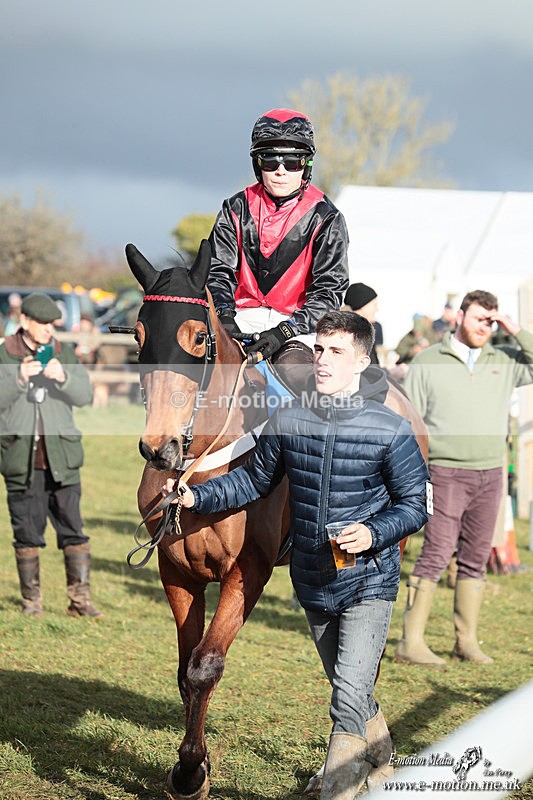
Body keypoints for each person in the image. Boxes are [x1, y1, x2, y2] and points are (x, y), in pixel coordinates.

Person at [166, 311, 429, 799]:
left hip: (369, 577)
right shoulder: (288, 421)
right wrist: (197, 498)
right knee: (350, 688)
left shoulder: (391, 428)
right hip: (313, 577)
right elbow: (253, 481)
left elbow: (416, 505)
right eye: (320, 350)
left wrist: (373, 534)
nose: (324, 361)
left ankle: (335, 788)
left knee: (346, 696)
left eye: (336, 352)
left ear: (362, 361)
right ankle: (385, 762)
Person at [395, 290, 533, 666]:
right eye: (478, 319)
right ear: (460, 316)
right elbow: (412, 422)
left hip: (490, 473)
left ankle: (466, 642)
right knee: (436, 553)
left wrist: (513, 327)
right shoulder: (427, 361)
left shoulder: (504, 359)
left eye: (491, 321)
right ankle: (411, 643)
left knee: (474, 558)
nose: (484, 327)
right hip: (444, 471)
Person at [207, 108, 349, 388]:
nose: (281, 170)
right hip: (236, 318)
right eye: (270, 160)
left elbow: (329, 292)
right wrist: (224, 317)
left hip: (298, 328)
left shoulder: (327, 217)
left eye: (293, 161)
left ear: (306, 164)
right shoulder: (234, 208)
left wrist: (284, 331)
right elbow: (217, 272)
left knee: (297, 374)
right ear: (257, 165)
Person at [0, 292, 103, 618]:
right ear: (25, 321)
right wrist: (18, 379)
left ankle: (80, 602)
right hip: (21, 459)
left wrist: (64, 376)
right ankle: (32, 604)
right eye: (42, 322)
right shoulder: (5, 354)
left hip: (63, 458)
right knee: (26, 534)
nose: (48, 329)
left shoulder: (64, 353)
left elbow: (85, 395)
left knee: (73, 529)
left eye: (52, 323)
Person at [342, 282, 383, 364]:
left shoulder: (363, 331)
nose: (377, 309)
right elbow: (369, 372)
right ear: (362, 306)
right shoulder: (350, 336)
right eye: (374, 305)